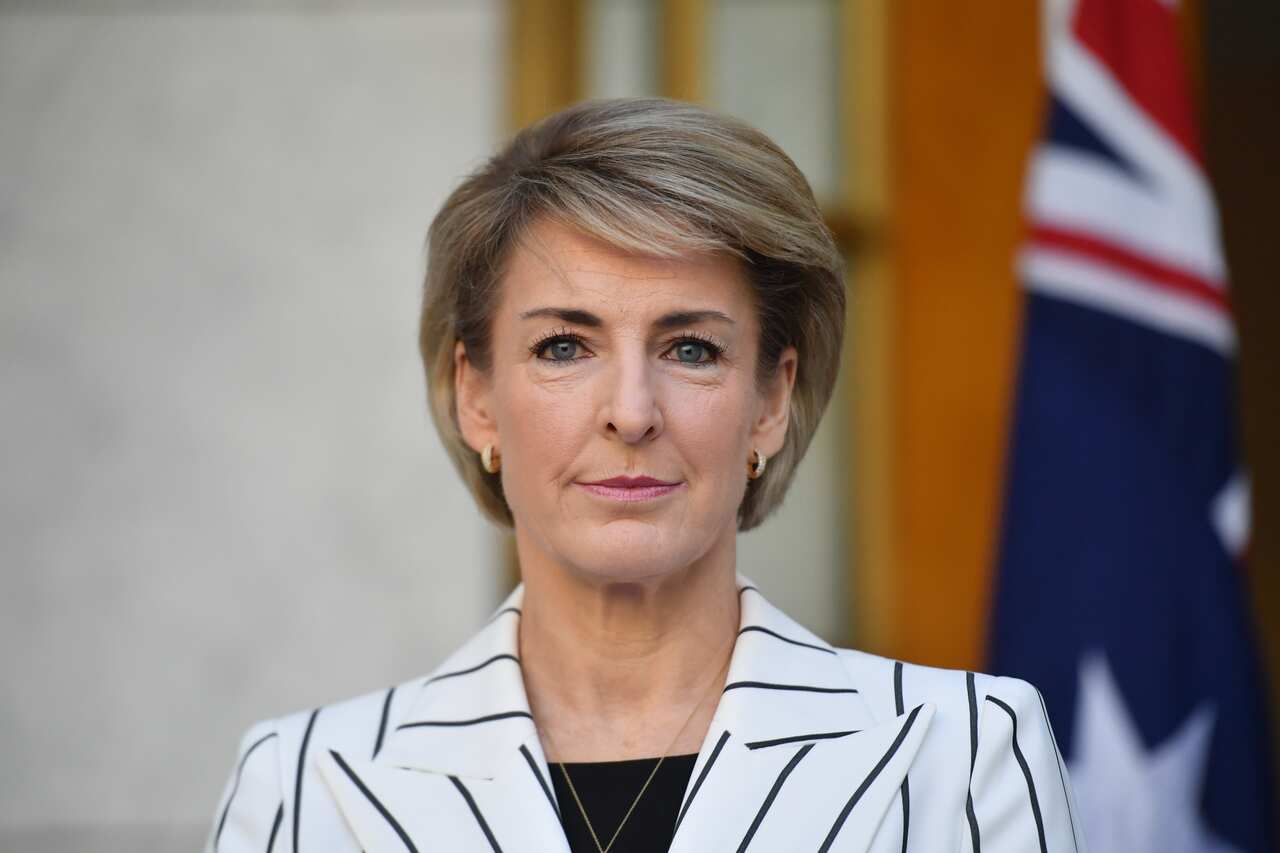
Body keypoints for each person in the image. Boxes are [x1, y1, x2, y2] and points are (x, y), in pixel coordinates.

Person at [206, 97, 1086, 853]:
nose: (631, 410)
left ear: (770, 401)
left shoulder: (962, 752)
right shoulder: (303, 786)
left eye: (691, 348)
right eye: (564, 346)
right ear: (476, 397)